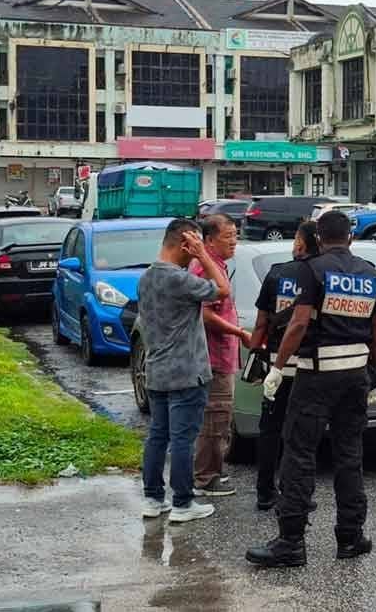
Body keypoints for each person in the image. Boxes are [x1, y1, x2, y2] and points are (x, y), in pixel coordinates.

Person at [246, 211, 376, 568]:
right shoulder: (371, 274)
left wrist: (277, 367)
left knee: (299, 453)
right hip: (355, 374)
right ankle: (350, 537)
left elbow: (298, 323)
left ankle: (291, 542)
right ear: (351, 237)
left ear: (319, 239)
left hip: (316, 373)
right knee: (350, 454)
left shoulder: (312, 270)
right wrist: (374, 372)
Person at [138, 218, 231, 524]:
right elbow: (223, 289)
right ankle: (182, 502)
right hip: (187, 372)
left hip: (157, 370)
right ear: (185, 244)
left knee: (157, 436)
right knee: (182, 440)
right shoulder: (178, 279)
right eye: (195, 244)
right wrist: (203, 255)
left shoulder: (147, 277)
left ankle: (153, 499)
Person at [249, 221, 320, 510]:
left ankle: (265, 492)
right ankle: (298, 492)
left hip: (277, 364)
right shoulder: (322, 275)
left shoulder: (277, 273)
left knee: (270, 428)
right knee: (303, 433)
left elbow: (261, 323)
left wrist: (255, 355)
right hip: (312, 365)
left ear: (300, 244)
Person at [191, 215, 252, 497]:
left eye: (236, 235)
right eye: (228, 236)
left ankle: (212, 470)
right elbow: (204, 315)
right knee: (215, 417)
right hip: (213, 356)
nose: (234, 242)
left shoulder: (217, 266)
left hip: (222, 354)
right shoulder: (205, 269)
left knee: (219, 416)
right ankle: (206, 478)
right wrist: (238, 332)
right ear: (210, 240)